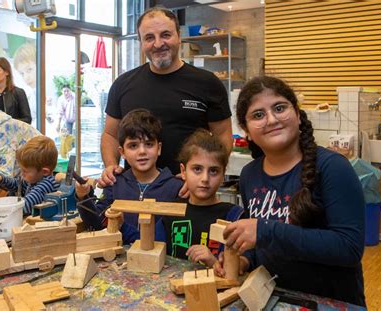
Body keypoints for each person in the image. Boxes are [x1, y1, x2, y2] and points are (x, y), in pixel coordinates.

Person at [219, 76, 366, 306]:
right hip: (274, 299)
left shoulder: (332, 167)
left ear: (297, 114)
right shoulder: (250, 175)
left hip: (329, 302)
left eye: (279, 108)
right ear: (246, 131)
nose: (271, 119)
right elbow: (261, 246)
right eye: (258, 115)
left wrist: (266, 230)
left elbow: (349, 247)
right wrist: (245, 261)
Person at [100, 6, 232, 188]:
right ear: (141, 42)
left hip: (189, 192)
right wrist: (111, 165)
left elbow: (223, 134)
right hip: (134, 192)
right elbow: (110, 134)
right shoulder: (123, 84)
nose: (158, 43)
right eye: (149, 38)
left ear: (179, 36)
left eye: (165, 35)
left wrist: (206, 177)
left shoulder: (207, 83)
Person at [74, 109, 183, 244]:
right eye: (133, 146)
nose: (142, 151)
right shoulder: (115, 184)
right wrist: (83, 196)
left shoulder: (176, 187)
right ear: (122, 152)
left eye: (149, 144)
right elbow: (96, 224)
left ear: (159, 148)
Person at [157, 129, 242, 267]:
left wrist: (213, 262)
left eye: (213, 171)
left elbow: (238, 270)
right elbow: (148, 246)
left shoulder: (233, 217)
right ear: (183, 172)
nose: (205, 179)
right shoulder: (171, 213)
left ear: (223, 175)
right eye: (197, 169)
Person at [0, 136, 60, 215]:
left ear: (44, 172)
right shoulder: (34, 178)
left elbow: (24, 207)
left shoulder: (46, 185)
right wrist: (0, 179)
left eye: (25, 171)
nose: (22, 173)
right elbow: (17, 184)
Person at [0, 57, 32, 124]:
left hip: (11, 133)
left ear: (6, 72)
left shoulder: (18, 93)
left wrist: (7, 123)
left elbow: (27, 119)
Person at [13, 42, 38, 126]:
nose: (26, 77)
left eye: (29, 70)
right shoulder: (30, 95)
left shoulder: (42, 93)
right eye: (22, 73)